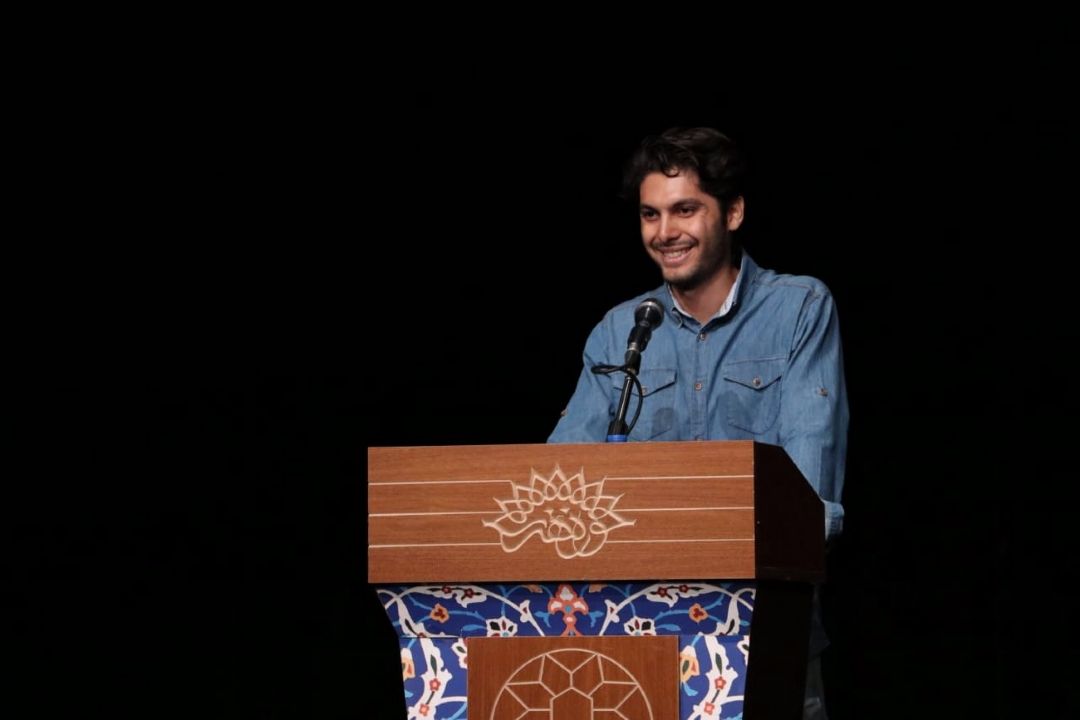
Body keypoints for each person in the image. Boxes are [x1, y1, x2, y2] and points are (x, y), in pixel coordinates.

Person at [547, 127, 847, 719]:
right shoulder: (620, 330)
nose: (665, 232)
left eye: (685, 210)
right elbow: (559, 491)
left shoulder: (799, 308)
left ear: (732, 213)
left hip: (767, 637)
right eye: (650, 214)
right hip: (634, 640)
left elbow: (808, 505)